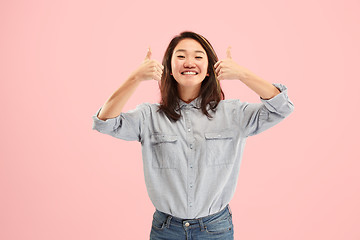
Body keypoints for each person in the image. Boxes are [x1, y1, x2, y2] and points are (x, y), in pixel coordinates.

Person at [92, 31, 294, 240]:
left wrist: (243, 74)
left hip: (215, 229)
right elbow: (105, 123)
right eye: (180, 56)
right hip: (166, 230)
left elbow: (281, 108)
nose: (189, 62)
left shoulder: (233, 114)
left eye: (198, 57)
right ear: (169, 68)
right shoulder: (148, 116)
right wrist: (134, 78)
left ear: (209, 70)